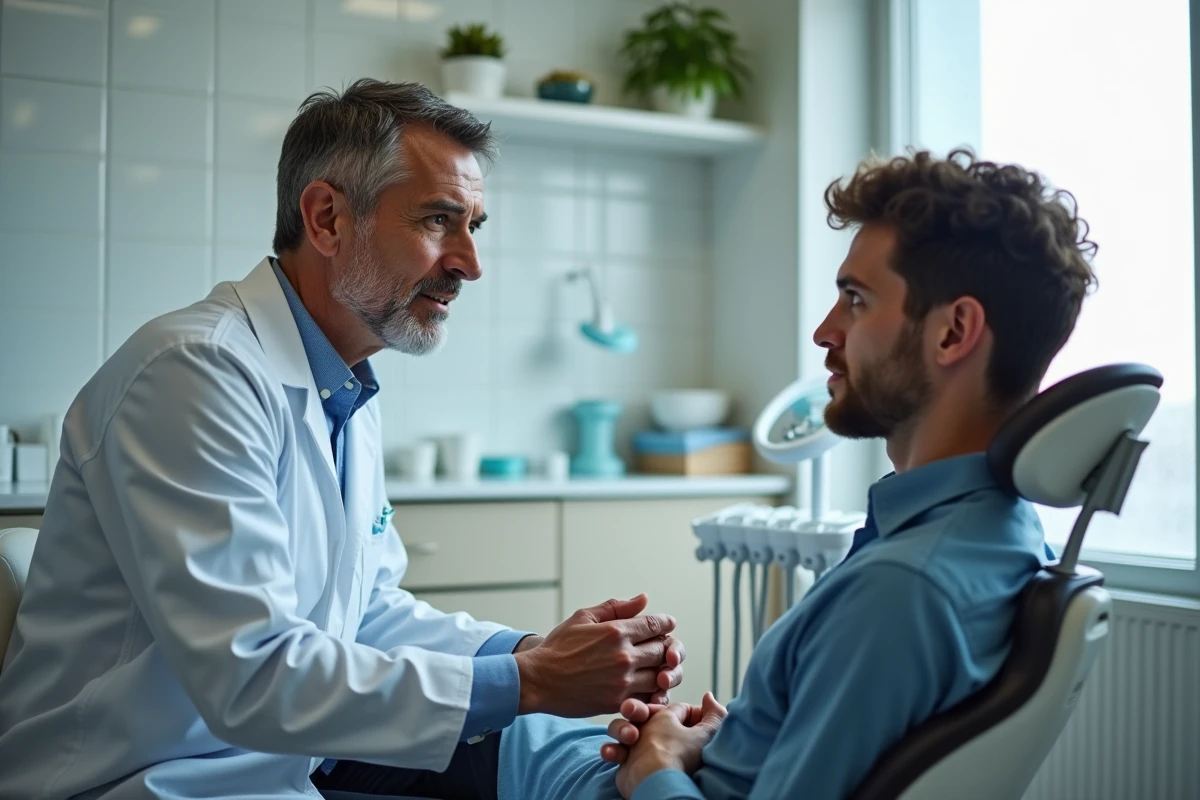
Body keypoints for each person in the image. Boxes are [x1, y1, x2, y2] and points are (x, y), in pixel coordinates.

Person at [0, 80, 686, 800]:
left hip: (278, 760)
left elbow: (363, 611)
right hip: (144, 779)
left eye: (472, 226)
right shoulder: (194, 373)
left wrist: (525, 651)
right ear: (327, 219)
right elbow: (253, 672)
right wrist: (529, 681)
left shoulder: (341, 385)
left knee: (580, 762)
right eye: (437, 221)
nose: (468, 262)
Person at [489, 148, 1096, 800]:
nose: (823, 331)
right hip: (628, 761)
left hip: (553, 778)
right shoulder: (999, 537)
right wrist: (736, 740)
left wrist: (657, 768)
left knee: (410, 733)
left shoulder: (902, 590)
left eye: (856, 300)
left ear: (953, 332)